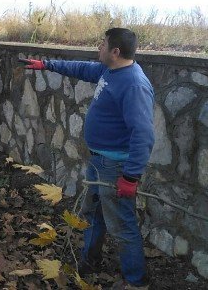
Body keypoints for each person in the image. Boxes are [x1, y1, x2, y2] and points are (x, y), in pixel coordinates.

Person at [20, 28, 154, 289]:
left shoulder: (134, 84)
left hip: (115, 167)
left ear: (115, 51)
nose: (98, 48)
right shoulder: (110, 71)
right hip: (99, 161)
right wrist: (46, 65)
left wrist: (130, 176)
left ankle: (137, 282)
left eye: (102, 45)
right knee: (92, 214)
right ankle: (89, 261)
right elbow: (81, 68)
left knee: (123, 226)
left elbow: (144, 133)